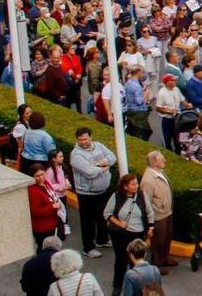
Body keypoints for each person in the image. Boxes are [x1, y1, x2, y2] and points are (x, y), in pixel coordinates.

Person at [71, 126, 116, 259]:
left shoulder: (99, 146)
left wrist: (103, 162)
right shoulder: (76, 155)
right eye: (80, 140)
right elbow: (89, 173)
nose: (83, 142)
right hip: (86, 194)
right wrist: (103, 168)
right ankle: (88, 247)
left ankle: (102, 239)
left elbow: (112, 157)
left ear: (90, 137)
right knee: (87, 221)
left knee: (103, 216)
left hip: (103, 190)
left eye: (85, 139)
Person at [105, 173, 153, 294]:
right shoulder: (116, 196)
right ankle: (117, 286)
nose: (136, 186)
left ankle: (138, 288)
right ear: (125, 186)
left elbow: (149, 212)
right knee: (121, 261)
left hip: (138, 235)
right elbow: (107, 213)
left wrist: (150, 228)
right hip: (121, 235)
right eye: (133, 184)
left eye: (137, 183)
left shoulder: (142, 196)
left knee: (136, 263)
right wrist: (119, 223)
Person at [139, 150, 178, 271]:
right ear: (155, 163)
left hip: (167, 212)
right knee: (158, 241)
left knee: (167, 237)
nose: (165, 160)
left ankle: (165, 257)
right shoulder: (148, 180)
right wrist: (150, 222)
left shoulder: (160, 173)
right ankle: (157, 263)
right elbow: (146, 202)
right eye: (162, 159)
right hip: (157, 216)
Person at [27, 164, 63, 251]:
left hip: (51, 223)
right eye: (37, 176)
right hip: (42, 227)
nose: (41, 177)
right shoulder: (33, 190)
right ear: (32, 177)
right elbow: (35, 212)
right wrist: (52, 206)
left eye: (42, 174)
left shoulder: (45, 183)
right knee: (43, 249)